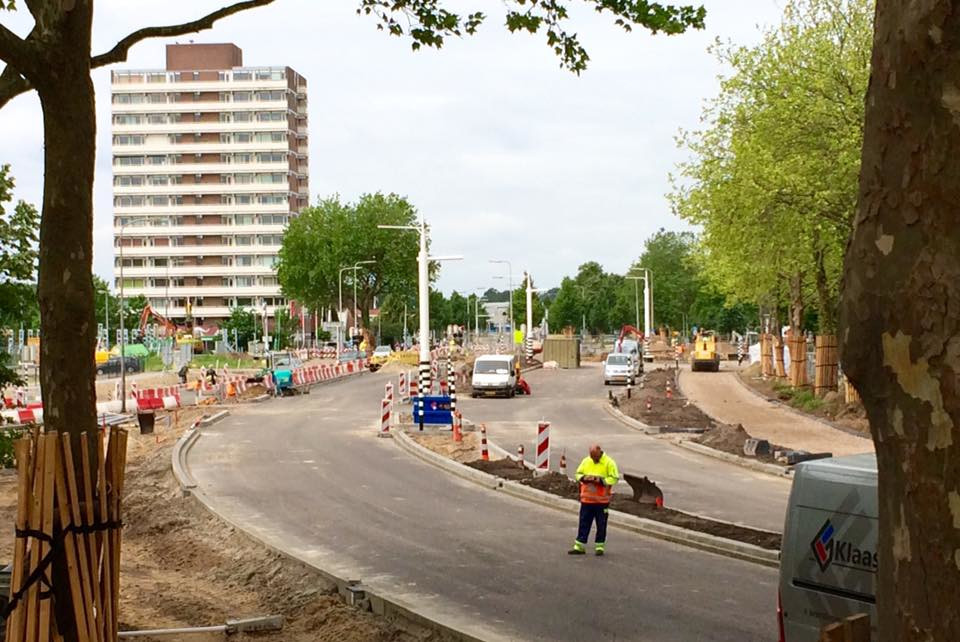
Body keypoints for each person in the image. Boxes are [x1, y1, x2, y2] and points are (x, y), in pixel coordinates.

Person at [569, 444, 619, 556]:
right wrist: (584, 478)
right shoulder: (586, 461)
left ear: (600, 453)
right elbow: (578, 474)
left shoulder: (609, 462)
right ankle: (579, 546)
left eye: (595, 457)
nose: (594, 459)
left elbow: (614, 478)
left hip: (601, 501)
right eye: (592, 457)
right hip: (587, 500)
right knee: (583, 523)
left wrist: (601, 481)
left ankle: (599, 547)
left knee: (601, 524)